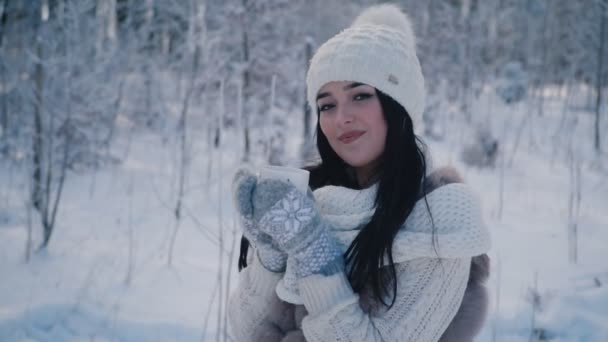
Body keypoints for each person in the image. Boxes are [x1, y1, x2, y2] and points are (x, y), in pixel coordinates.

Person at [228, 4, 491, 342]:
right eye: (327, 105)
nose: (342, 117)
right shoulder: (309, 201)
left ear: (399, 105)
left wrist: (315, 256)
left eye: (360, 96)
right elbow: (246, 333)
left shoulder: (441, 217)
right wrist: (269, 253)